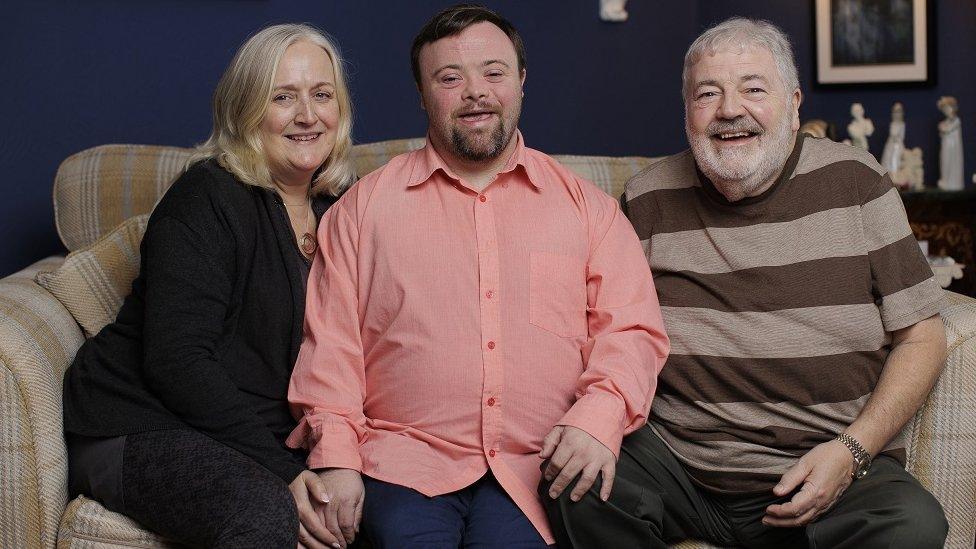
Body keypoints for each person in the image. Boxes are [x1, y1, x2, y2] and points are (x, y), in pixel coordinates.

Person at [545, 18, 949, 549]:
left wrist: (851, 452)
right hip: (679, 468)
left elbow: (923, 335)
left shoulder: (857, 182)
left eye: (753, 89)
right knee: (571, 481)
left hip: (822, 464)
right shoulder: (647, 198)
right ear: (686, 110)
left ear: (794, 102)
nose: (729, 110)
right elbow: (604, 327)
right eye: (706, 93)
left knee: (913, 525)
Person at [286, 4, 669, 548]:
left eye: (494, 72)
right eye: (450, 77)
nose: (475, 92)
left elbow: (631, 333)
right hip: (404, 462)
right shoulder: (361, 211)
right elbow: (331, 351)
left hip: (537, 464)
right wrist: (336, 458)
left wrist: (598, 418)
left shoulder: (589, 209)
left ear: (520, 83)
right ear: (421, 94)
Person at [61, 24, 354, 548]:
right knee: (261, 511)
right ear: (245, 110)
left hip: (244, 433)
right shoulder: (207, 198)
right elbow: (177, 360)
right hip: (138, 422)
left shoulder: (341, 211)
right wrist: (281, 470)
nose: (308, 116)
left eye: (321, 95)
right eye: (282, 97)